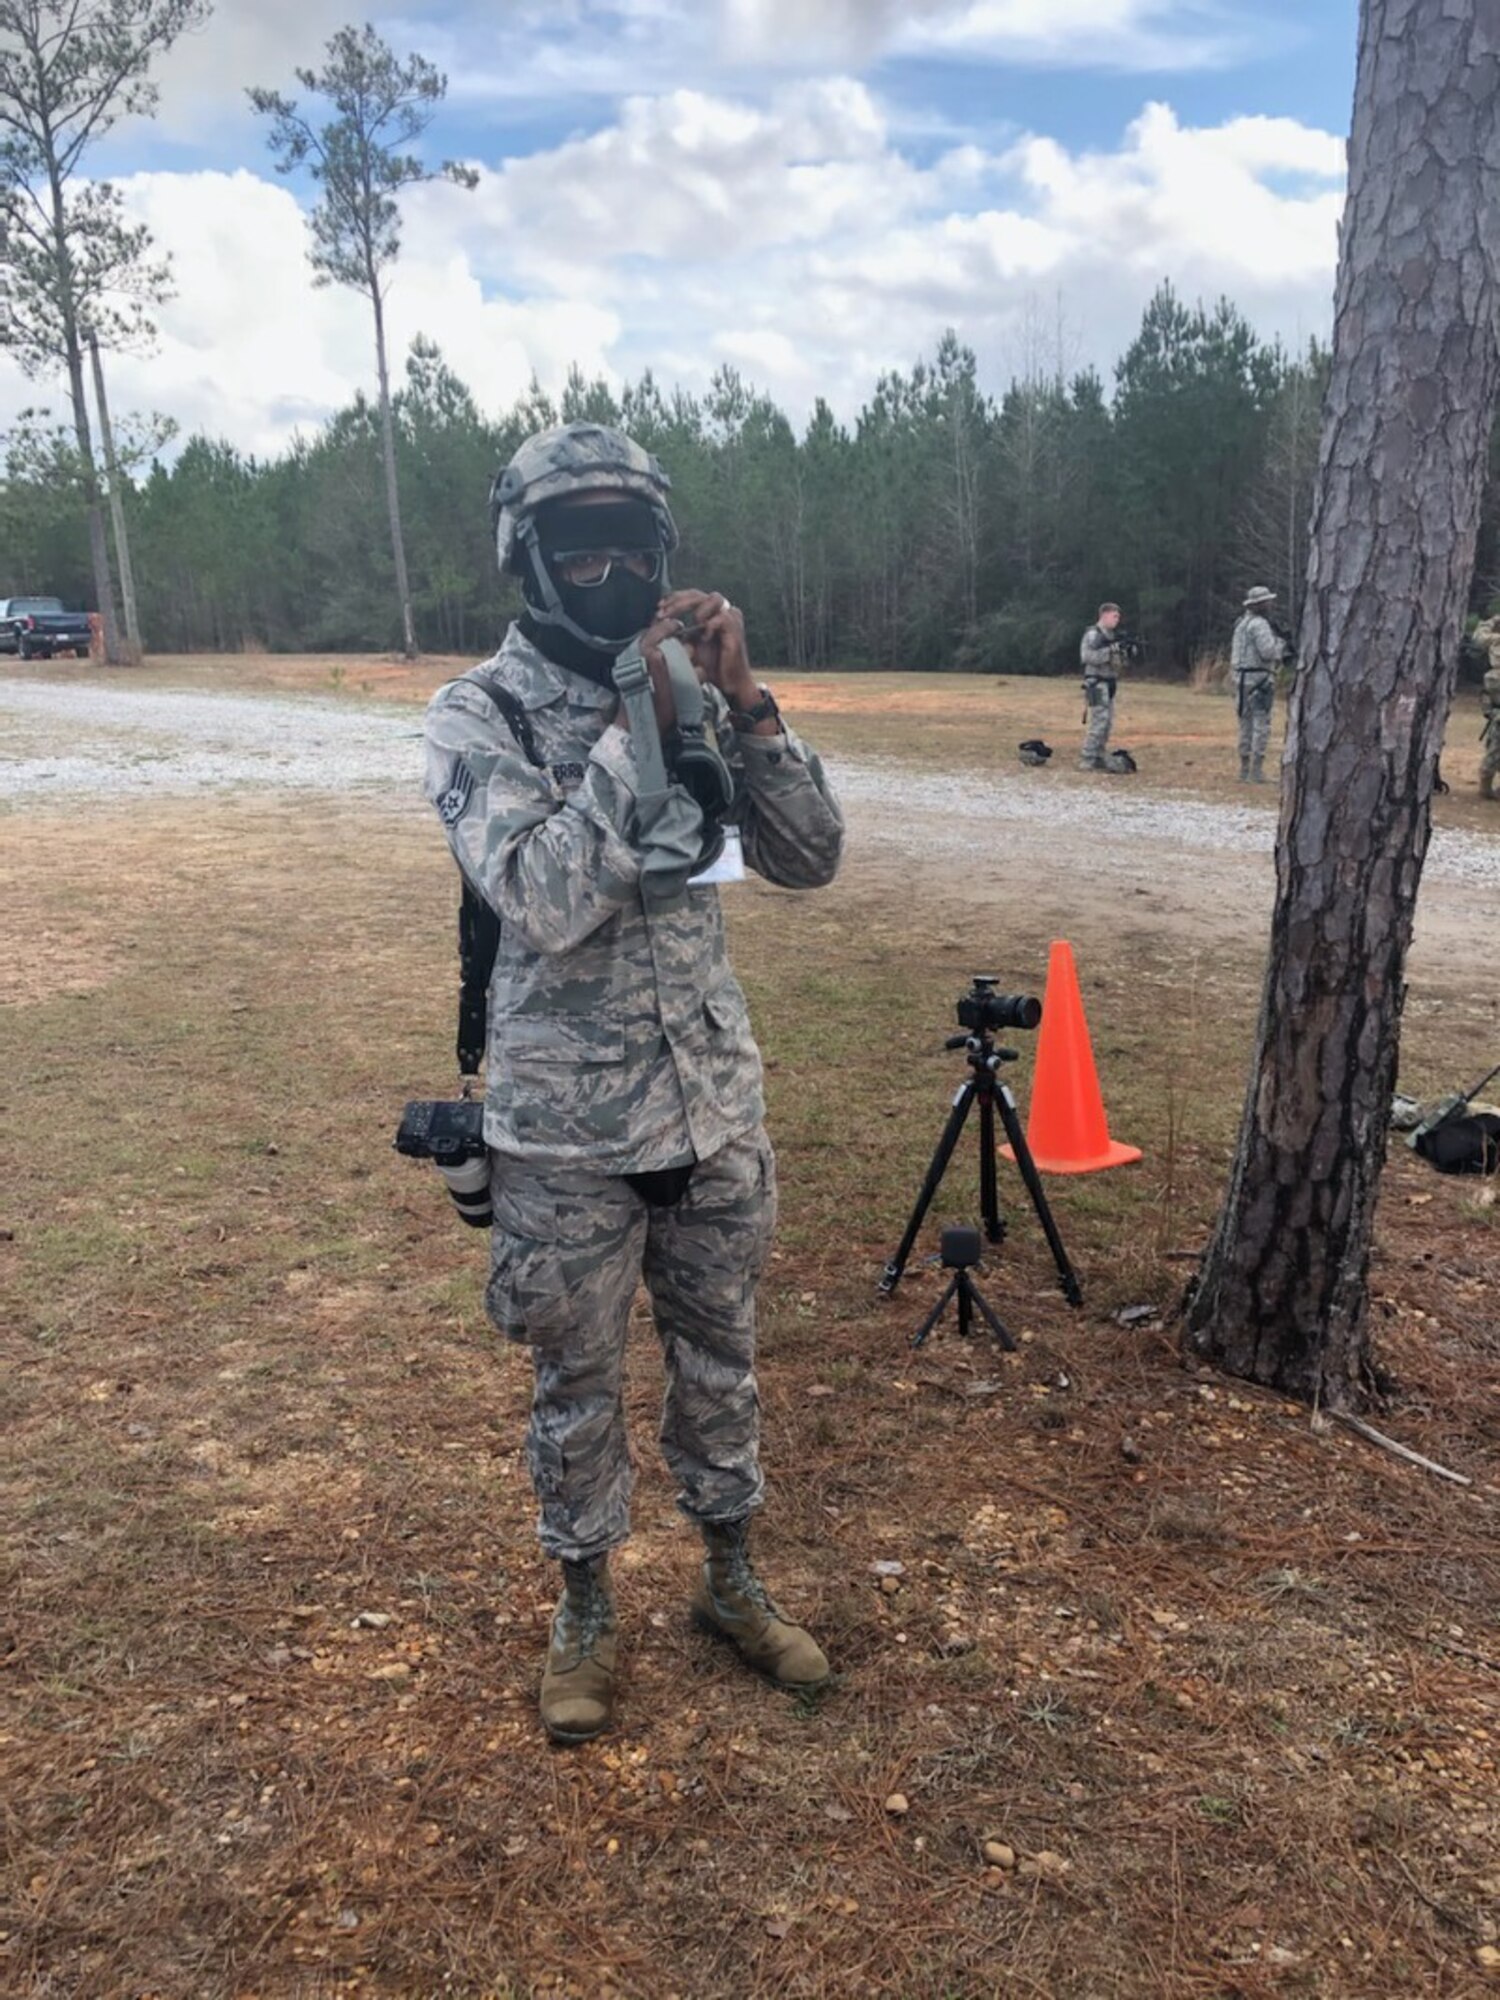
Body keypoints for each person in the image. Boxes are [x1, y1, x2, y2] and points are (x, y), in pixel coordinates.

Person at [422, 422, 845, 1744]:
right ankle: (586, 1609)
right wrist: (633, 710)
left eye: (629, 544)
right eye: (576, 543)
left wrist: (747, 700)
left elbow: (810, 855)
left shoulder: (696, 686)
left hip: (709, 1106)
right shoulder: (475, 714)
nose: (606, 566)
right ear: (529, 557)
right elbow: (543, 895)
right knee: (578, 1387)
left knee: (723, 1363)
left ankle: (731, 1578)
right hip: (560, 1131)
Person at [1231, 586, 1291, 783]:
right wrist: (1282, 645)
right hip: (1260, 680)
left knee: (1245, 725)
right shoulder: (1260, 625)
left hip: (1240, 679)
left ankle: (1244, 769)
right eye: (1267, 601)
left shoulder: (1241, 624)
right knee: (1261, 725)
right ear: (1260, 605)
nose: (1271, 604)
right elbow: (1268, 652)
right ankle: (1256, 772)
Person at [1079, 602, 1124, 770]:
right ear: (1104, 615)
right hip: (1096, 683)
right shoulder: (1093, 635)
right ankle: (1087, 758)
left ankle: (1099, 755)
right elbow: (1088, 657)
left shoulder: (1111, 636)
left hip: (1110, 682)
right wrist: (1109, 653)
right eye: (1114, 616)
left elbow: (1117, 664)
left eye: (1118, 617)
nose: (1117, 620)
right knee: (1099, 721)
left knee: (1108, 723)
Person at [1474, 615, 1500, 800]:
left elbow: (1479, 636)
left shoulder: (1495, 639)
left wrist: (1492, 620)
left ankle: (1486, 784)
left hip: (1495, 696)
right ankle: (1486, 785)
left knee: (1496, 741)